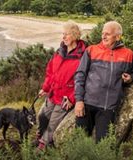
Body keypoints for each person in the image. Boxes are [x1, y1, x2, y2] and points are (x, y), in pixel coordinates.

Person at [74, 21, 133, 143]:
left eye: (107, 34)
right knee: (78, 144)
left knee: (103, 148)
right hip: (86, 105)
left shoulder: (128, 54)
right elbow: (80, 75)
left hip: (108, 109)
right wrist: (79, 101)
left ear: (118, 37)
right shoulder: (91, 50)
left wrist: (129, 78)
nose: (103, 36)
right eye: (103, 33)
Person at [36, 21, 87, 149]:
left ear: (75, 35)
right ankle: (40, 137)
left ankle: (44, 145)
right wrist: (45, 88)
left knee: (53, 122)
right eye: (62, 34)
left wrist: (72, 98)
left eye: (67, 34)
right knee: (42, 116)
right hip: (53, 93)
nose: (63, 37)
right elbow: (50, 72)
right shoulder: (59, 51)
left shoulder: (82, 56)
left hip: (66, 98)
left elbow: (82, 80)